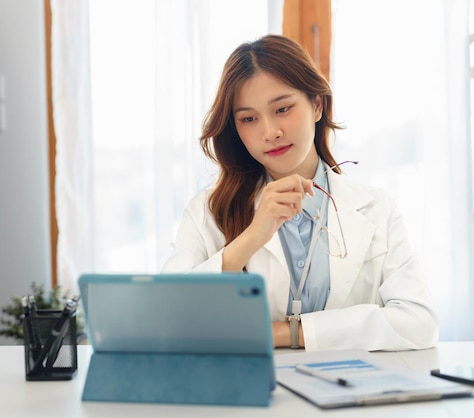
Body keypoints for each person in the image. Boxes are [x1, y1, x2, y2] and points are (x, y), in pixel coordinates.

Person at [161, 34, 438, 351]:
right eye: (249, 119)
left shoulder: (377, 209)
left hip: (349, 390)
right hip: (253, 391)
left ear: (317, 105)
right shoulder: (208, 211)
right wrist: (252, 236)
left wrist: (287, 333)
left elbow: (418, 324)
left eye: (282, 109)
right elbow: (169, 314)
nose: (270, 132)